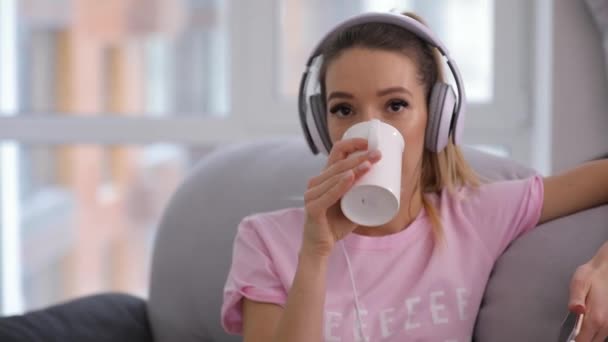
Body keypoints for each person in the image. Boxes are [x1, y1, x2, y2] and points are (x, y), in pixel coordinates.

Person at [221, 11, 608, 342]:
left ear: (437, 119)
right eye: (343, 110)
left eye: (395, 105)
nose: (368, 128)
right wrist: (315, 254)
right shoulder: (265, 241)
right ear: (322, 127)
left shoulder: (474, 216)